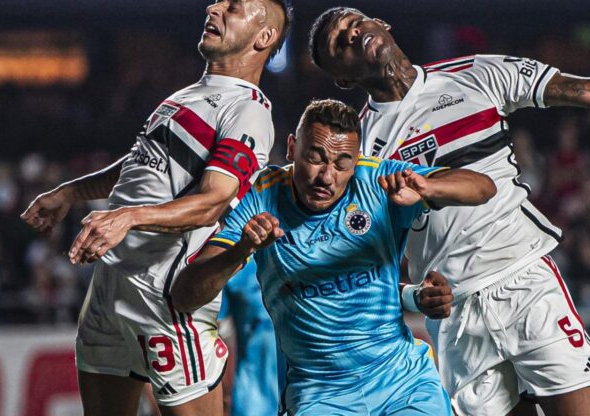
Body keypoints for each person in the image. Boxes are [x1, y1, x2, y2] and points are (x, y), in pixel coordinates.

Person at [307, 6, 590, 416]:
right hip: (454, 310)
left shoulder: (476, 74)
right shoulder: (358, 147)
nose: (351, 33)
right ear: (342, 78)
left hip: (522, 280)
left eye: (353, 20)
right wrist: (410, 295)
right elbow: (358, 259)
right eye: (337, 43)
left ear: (382, 24)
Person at [20, 0, 290, 416]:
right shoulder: (186, 96)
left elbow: (213, 201)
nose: (214, 8)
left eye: (231, 6)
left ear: (264, 37)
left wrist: (125, 218)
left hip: (164, 298)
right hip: (110, 290)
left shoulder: (248, 110)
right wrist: (70, 193)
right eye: (218, 0)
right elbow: (139, 167)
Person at [173, 99, 496, 415]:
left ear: (355, 161)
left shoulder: (377, 181)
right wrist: (241, 250)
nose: (327, 177)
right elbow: (186, 295)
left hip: (402, 381)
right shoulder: (263, 196)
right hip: (319, 393)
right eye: (315, 158)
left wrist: (428, 187)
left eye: (342, 164)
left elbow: (483, 188)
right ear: (291, 148)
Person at [218, 259, 278, 416]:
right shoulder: (236, 261)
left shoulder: (310, 252)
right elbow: (217, 336)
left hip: (310, 390)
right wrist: (224, 395)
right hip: (253, 398)